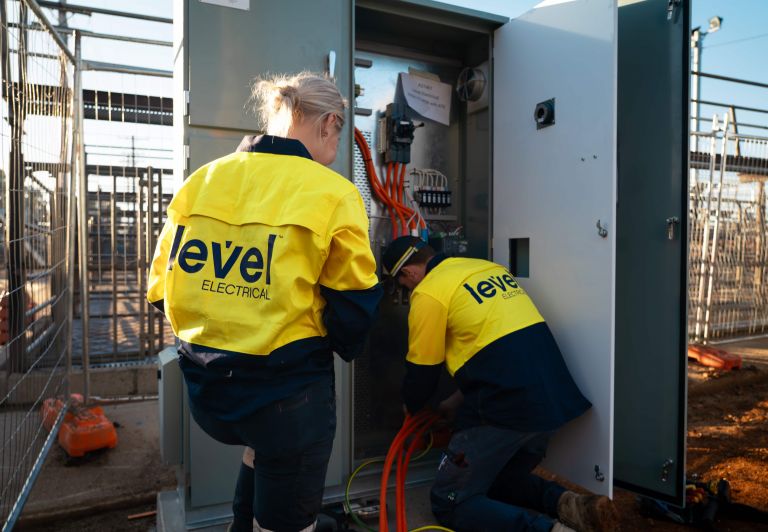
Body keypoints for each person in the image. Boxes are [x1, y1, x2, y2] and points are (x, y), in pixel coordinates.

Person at [148, 72, 382, 532]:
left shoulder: (204, 178)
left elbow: (160, 289)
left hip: (209, 393)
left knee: (262, 461)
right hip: (286, 401)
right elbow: (354, 313)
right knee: (288, 511)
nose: (334, 151)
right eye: (337, 137)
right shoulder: (332, 192)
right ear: (329, 123)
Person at [381, 236, 617, 532]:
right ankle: (574, 507)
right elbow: (495, 348)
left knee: (449, 500)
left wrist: (411, 406)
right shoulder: (484, 268)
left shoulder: (429, 292)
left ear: (408, 273)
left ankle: (548, 530)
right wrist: (454, 403)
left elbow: (422, 373)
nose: (407, 289)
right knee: (498, 479)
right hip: (551, 401)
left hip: (507, 410)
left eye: (403, 284)